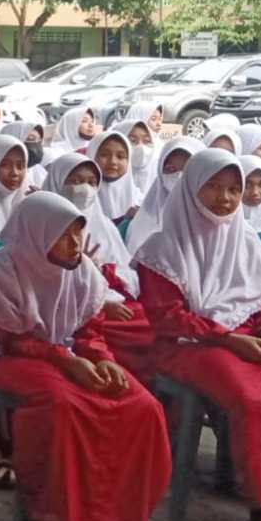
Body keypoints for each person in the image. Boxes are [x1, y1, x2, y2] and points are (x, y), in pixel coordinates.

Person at [0, 192, 171, 521]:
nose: (75, 243)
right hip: (15, 357)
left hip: (69, 353)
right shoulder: (1, 271)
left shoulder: (81, 271)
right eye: (64, 235)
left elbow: (89, 330)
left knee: (141, 405)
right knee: (62, 406)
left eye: (78, 233)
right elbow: (11, 339)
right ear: (37, 234)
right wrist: (68, 362)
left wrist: (102, 358)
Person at [136, 148, 261, 521]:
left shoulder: (241, 238)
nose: (225, 198)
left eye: (234, 189)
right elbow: (169, 319)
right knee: (254, 400)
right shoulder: (162, 247)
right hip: (187, 346)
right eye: (214, 186)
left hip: (239, 340)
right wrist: (232, 341)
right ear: (190, 188)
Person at [43, 153, 155, 379]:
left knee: (152, 321)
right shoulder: (41, 224)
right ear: (56, 182)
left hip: (111, 300)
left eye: (91, 182)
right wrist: (97, 299)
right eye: (74, 181)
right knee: (144, 333)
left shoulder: (102, 224)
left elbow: (125, 273)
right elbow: (42, 284)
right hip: (68, 313)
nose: (83, 189)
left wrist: (102, 272)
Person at [125, 137, 205, 254]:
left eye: (187, 170)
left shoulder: (210, 224)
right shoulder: (142, 223)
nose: (178, 176)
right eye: (170, 169)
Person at [88, 130, 141, 223]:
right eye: (104, 155)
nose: (113, 161)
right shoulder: (81, 199)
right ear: (92, 155)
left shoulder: (139, 202)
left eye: (120, 156)